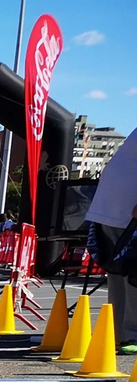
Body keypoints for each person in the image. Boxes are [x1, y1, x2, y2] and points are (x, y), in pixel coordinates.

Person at [89, 128, 137, 354]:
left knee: (119, 273)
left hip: (111, 208)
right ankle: (131, 334)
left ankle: (118, 333)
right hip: (126, 210)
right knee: (132, 273)